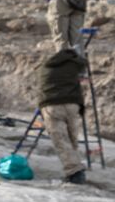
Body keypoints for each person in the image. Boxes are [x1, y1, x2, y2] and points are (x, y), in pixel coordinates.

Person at [38, 47, 89, 184]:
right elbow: (84, 67)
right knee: (72, 139)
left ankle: (75, 172)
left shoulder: (47, 65)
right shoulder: (76, 64)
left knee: (61, 140)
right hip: (73, 104)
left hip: (51, 104)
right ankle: (76, 168)